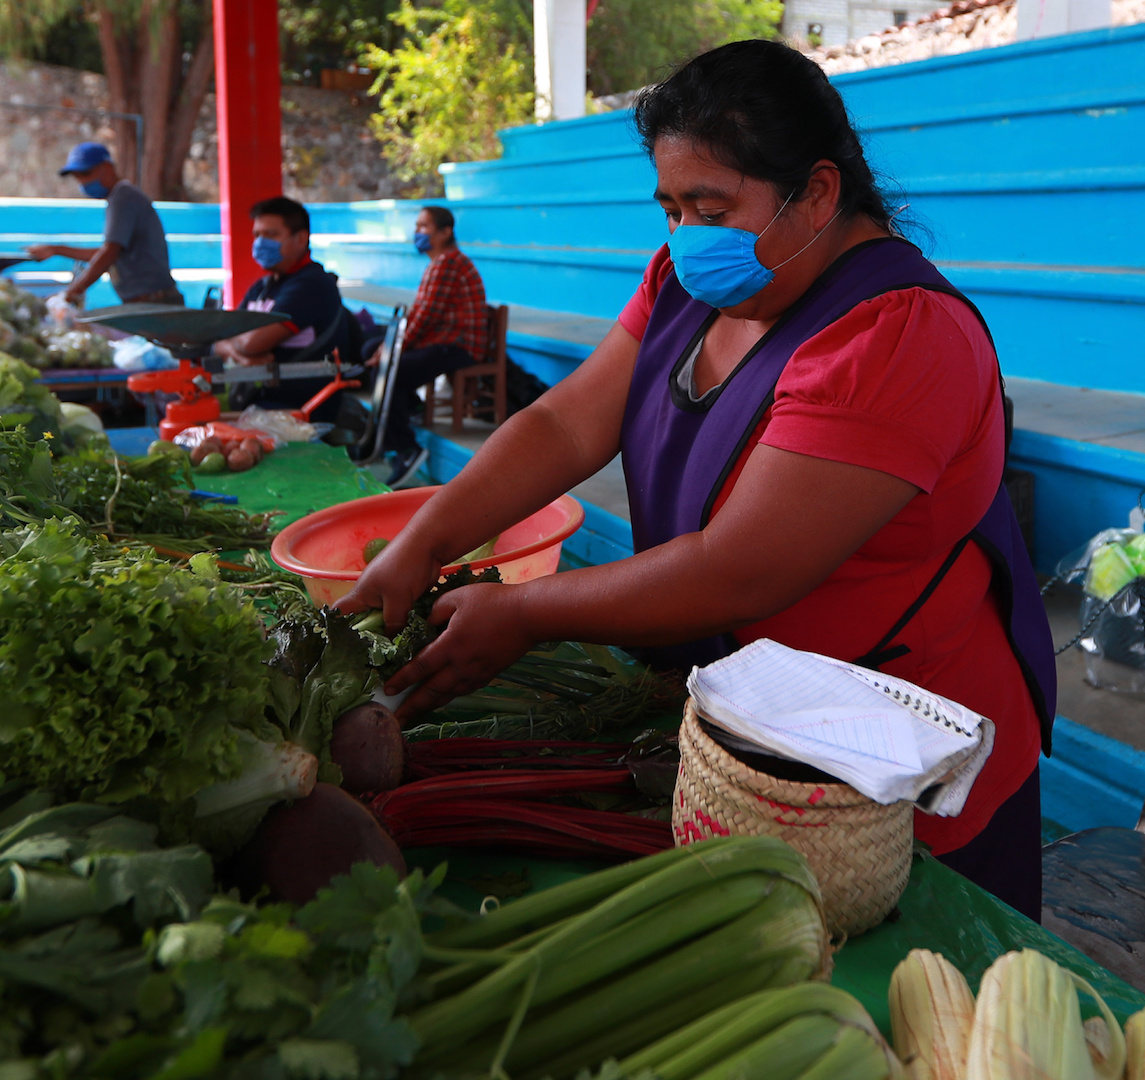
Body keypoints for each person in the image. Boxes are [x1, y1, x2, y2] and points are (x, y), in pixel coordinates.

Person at [337, 40, 1056, 918]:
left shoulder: (898, 339)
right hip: (744, 730)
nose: (686, 237)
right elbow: (566, 421)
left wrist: (524, 613)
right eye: (671, 208)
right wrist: (428, 537)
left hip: (889, 762)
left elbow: (738, 569)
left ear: (819, 193)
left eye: (709, 207)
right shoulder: (688, 281)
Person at [371, 206, 490, 487]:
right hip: (440, 341)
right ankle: (408, 409)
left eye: (424, 227)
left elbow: (426, 318)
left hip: (458, 347)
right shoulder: (437, 263)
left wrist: (393, 350)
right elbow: (419, 314)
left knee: (391, 371)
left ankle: (406, 449)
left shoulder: (449, 263)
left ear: (446, 232)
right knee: (373, 352)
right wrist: (387, 346)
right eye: (417, 226)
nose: (417, 233)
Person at [212, 196, 353, 417]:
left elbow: (251, 344)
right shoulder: (262, 287)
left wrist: (242, 349)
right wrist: (243, 359)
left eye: (272, 235)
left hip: (301, 409)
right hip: (259, 401)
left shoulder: (311, 285)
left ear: (301, 239)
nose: (260, 243)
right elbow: (219, 339)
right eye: (257, 235)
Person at [26, 142, 182, 307]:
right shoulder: (120, 197)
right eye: (77, 177)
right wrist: (56, 250)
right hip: (148, 302)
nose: (82, 182)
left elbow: (109, 254)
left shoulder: (123, 197)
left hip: (155, 303)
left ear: (107, 168)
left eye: (85, 174)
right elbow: (107, 253)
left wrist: (71, 293)